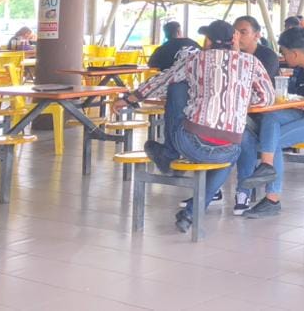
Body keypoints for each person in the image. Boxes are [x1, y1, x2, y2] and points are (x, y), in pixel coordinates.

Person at [115, 19, 274, 232]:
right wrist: (238, 99)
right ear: (234, 39)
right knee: (228, 154)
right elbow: (267, 98)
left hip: (189, 143)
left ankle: (169, 152)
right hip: (228, 148)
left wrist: (128, 99)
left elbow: (161, 81)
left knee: (177, 87)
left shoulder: (195, 59)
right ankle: (190, 212)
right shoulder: (251, 63)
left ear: (207, 40)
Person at [236, 26, 304, 218]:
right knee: (271, 117)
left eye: (285, 53)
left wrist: (298, 89)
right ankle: (267, 166)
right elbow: (299, 91)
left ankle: (272, 199)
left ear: (294, 53)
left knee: (273, 142)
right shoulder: (302, 68)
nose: (284, 58)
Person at [233, 15, 280, 79]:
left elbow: (255, 81)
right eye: (235, 32)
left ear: (256, 35)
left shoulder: (268, 56)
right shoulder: (230, 52)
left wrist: (237, 54)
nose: (236, 36)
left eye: (243, 32)